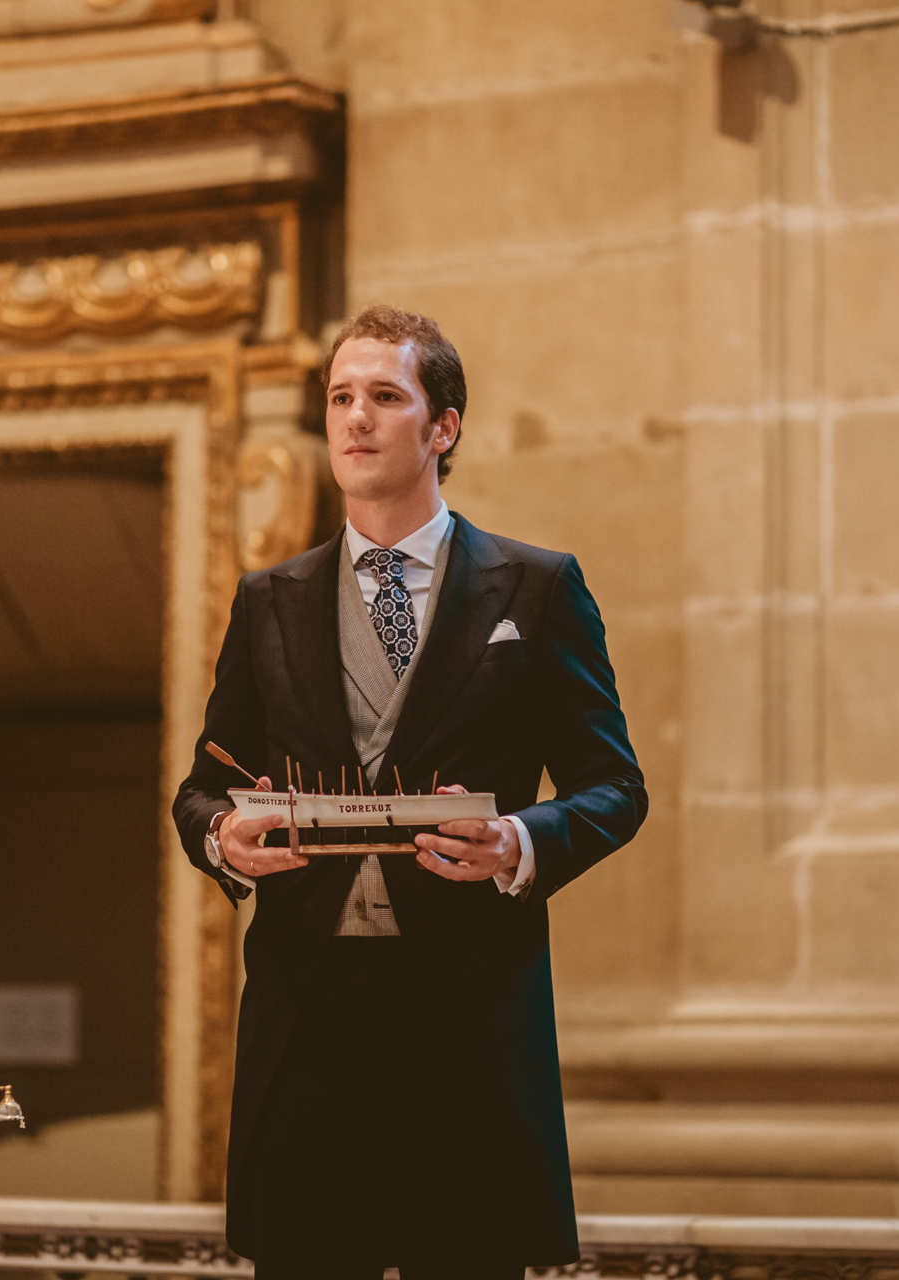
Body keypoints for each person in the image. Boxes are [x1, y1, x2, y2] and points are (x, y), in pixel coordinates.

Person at [172, 304, 647, 1279]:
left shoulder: (537, 588)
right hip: (310, 1018)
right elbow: (201, 789)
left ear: (443, 426)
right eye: (340, 397)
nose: (354, 418)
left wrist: (520, 837)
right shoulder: (269, 600)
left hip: (465, 1022)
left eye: (385, 396)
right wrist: (227, 836)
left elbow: (614, 785)